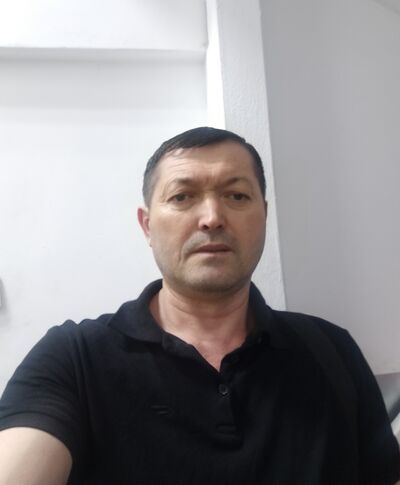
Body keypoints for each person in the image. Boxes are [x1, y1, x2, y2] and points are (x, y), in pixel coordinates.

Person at [0, 127, 399, 485]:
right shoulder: (74, 357)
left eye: (236, 196)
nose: (212, 218)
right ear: (147, 226)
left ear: (264, 215)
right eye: (182, 196)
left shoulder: (333, 350)